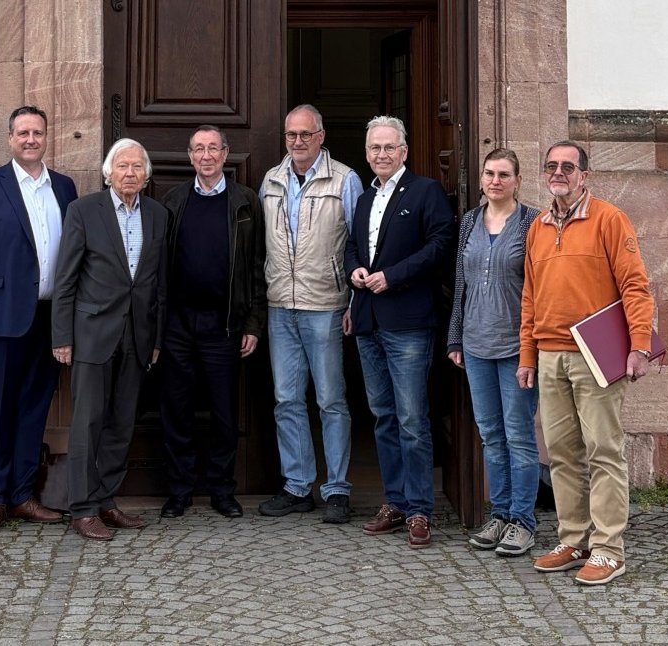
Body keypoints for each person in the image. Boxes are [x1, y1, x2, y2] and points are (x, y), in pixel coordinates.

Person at [518, 140, 654, 586]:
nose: (559, 173)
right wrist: (527, 355)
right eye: (552, 166)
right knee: (561, 454)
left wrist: (639, 346)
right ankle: (573, 538)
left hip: (595, 354)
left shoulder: (609, 220)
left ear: (584, 175)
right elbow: (530, 298)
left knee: (604, 451)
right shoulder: (537, 226)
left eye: (568, 167)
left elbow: (635, 286)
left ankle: (609, 549)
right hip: (551, 353)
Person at [0, 106, 78, 532]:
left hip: (49, 319)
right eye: (23, 133)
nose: (31, 139)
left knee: (34, 409)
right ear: (9, 139)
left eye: (38, 133)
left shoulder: (64, 188)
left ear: (48, 137)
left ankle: (22, 495)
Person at [343, 116, 454, 548]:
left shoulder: (425, 192)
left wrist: (394, 275)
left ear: (404, 151)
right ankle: (395, 502)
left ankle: (420, 510)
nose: (382, 154)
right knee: (384, 417)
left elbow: (441, 245)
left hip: (407, 321)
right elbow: (353, 243)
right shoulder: (366, 197)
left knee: (411, 419)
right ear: (367, 152)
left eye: (389, 147)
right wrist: (355, 268)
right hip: (369, 319)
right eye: (375, 148)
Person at [52, 138, 168, 541]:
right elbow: (65, 280)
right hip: (92, 334)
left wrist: (155, 337)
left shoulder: (158, 214)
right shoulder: (84, 211)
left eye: (138, 167)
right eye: (123, 166)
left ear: (147, 174)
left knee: (122, 422)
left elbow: (159, 285)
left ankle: (105, 500)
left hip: (137, 335)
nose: (130, 173)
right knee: (87, 422)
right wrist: (62, 336)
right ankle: (81, 508)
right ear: (108, 173)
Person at [257, 104, 363, 523]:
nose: (297, 142)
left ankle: (336, 489)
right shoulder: (271, 180)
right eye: (291, 135)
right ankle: (297, 485)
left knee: (331, 400)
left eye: (305, 134)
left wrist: (354, 301)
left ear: (321, 136)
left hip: (325, 305)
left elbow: (359, 244)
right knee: (286, 399)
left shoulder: (345, 179)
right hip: (281, 304)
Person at [157, 125, 266, 519]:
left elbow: (256, 267)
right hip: (178, 326)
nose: (206, 155)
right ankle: (180, 491)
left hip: (224, 326)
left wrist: (253, 324)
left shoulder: (246, 203)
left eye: (213, 149)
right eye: (199, 149)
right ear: (190, 156)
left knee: (223, 414)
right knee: (177, 411)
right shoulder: (172, 201)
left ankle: (222, 490)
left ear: (225, 154)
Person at [447, 148, 541, 557]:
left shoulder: (532, 222)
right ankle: (499, 514)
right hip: (476, 344)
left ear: (517, 180)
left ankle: (523, 521)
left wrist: (532, 350)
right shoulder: (469, 221)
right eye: (489, 173)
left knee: (519, 436)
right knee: (490, 435)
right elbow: (460, 285)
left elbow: (539, 290)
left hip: (516, 346)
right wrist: (455, 338)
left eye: (504, 174)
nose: (495, 181)